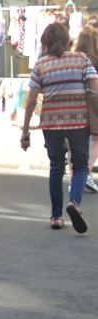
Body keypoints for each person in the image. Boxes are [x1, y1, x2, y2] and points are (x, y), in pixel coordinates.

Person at [21, 22, 97, 233]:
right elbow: (95, 89)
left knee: (56, 166)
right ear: (67, 41)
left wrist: (25, 130)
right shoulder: (82, 59)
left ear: (44, 43)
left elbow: (30, 101)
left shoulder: (40, 65)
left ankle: (56, 216)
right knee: (80, 165)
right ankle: (74, 202)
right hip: (78, 122)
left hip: (51, 123)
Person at [74, 24, 98, 193]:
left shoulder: (73, 58)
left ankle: (76, 176)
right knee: (96, 139)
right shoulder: (95, 60)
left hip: (74, 103)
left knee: (74, 142)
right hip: (92, 103)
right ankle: (86, 172)